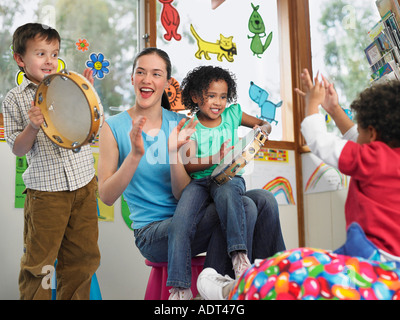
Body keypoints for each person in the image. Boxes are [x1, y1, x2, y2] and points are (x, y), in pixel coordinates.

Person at [97, 47, 286, 300]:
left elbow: (182, 192)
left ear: (165, 82)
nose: (147, 79)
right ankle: (219, 284)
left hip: (191, 216)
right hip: (153, 233)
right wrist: (134, 156)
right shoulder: (113, 127)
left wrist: (178, 154)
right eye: (140, 72)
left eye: (156, 74)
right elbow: (106, 197)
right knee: (246, 206)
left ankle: (271, 280)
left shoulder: (183, 124)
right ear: (132, 78)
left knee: (264, 199)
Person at [197, 68, 400, 300]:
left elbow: (319, 140)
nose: (358, 136)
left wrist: (312, 105)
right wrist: (333, 109)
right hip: (386, 268)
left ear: (373, 134)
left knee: (293, 264)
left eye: (361, 127)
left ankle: (228, 292)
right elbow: (358, 139)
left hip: (370, 263)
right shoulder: (391, 159)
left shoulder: (374, 158)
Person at [2, 23, 100, 300]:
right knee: (40, 264)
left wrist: (83, 93)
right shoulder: (14, 99)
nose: (49, 61)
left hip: (83, 184)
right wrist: (32, 126)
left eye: (54, 54)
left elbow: (84, 128)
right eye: (40, 53)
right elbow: (18, 149)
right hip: (46, 194)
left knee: (83, 260)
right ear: (20, 59)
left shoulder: (66, 85)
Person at [167, 65, 272, 297]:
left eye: (223, 96)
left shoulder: (233, 114)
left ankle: (239, 257)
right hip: (199, 182)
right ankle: (180, 287)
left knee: (228, 195)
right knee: (180, 224)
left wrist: (262, 130)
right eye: (211, 95)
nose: (218, 102)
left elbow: (264, 125)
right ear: (195, 97)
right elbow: (190, 164)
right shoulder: (190, 125)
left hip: (228, 177)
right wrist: (216, 156)